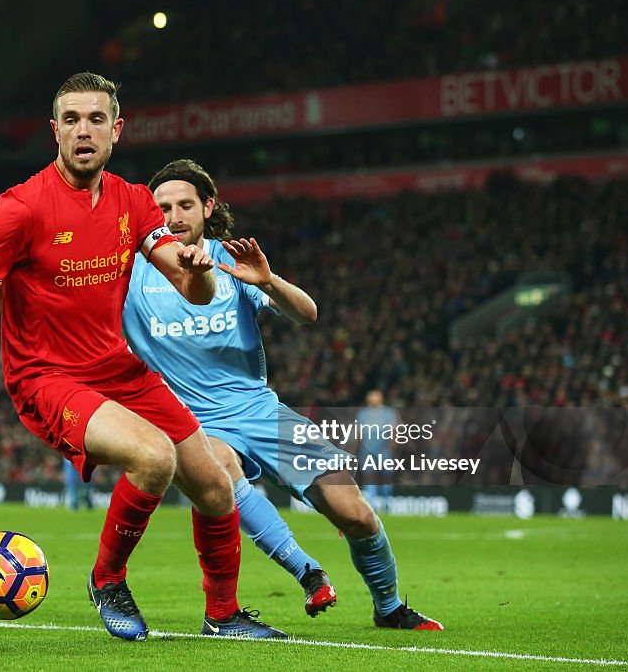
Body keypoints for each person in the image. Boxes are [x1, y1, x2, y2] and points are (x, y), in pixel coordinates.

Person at [0, 73, 283, 641]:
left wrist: (198, 274)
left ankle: (222, 616)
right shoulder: (21, 206)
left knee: (215, 487)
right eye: (71, 120)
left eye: (96, 119)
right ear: (55, 131)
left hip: (118, 369)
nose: (83, 130)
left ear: (116, 130)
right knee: (152, 457)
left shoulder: (134, 201)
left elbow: (192, 286)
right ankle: (107, 579)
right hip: (47, 377)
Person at [122, 160, 443, 630]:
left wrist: (267, 280)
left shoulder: (230, 261)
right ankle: (308, 572)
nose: (173, 216)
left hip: (259, 410)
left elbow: (308, 313)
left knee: (352, 512)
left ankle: (390, 608)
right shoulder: (130, 272)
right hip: (191, 421)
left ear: (207, 208)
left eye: (185, 205)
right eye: (163, 207)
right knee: (221, 469)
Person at [355, 390, 399, 512]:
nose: (372, 398)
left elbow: (393, 431)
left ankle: (387, 501)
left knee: (386, 475)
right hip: (367, 449)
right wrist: (359, 447)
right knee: (369, 475)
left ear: (381, 398)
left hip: (383, 449)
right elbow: (359, 432)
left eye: (375, 395)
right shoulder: (363, 413)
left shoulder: (387, 412)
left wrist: (391, 446)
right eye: (370, 395)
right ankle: (371, 503)